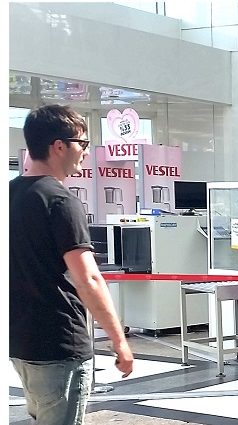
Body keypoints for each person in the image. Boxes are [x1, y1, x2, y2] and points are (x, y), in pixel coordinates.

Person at [10, 104, 134, 424]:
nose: (86, 152)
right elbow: (87, 278)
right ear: (59, 146)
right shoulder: (60, 201)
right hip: (59, 343)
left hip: (21, 342)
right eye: (82, 143)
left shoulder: (10, 194)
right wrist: (119, 340)